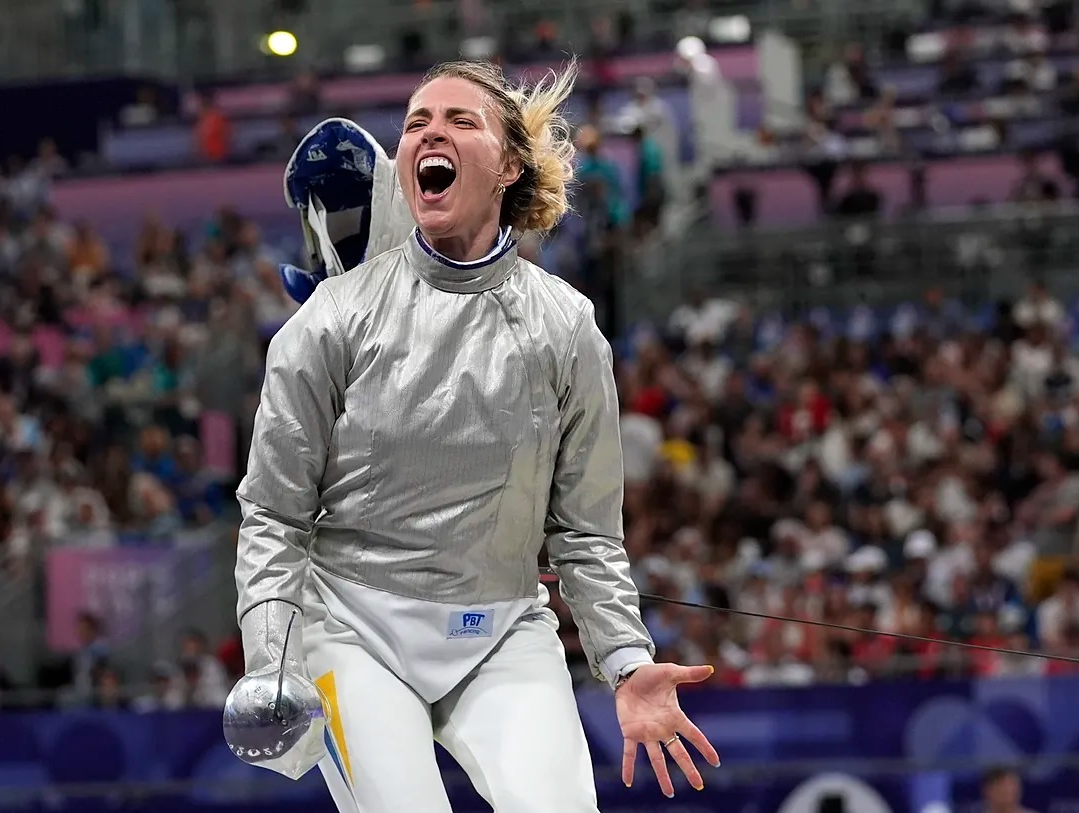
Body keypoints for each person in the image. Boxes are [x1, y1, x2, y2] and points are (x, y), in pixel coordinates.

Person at [234, 59, 720, 812]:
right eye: (416, 123)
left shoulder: (566, 325)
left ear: (510, 165)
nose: (431, 131)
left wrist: (627, 661)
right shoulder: (330, 320)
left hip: (500, 633)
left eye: (461, 120)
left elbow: (586, 531)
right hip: (350, 629)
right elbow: (274, 511)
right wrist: (273, 660)